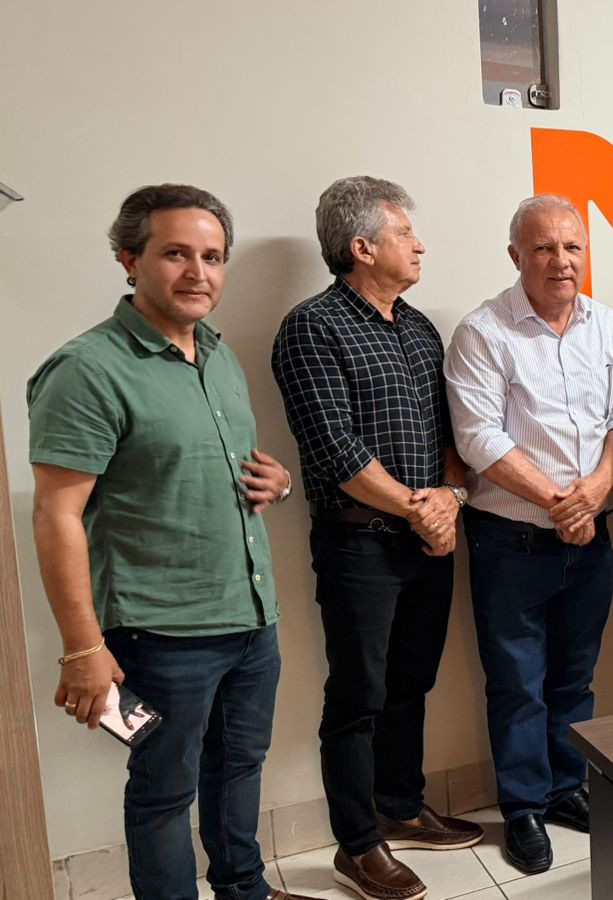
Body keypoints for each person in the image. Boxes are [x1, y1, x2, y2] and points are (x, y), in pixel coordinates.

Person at [27, 185, 309, 900]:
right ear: (130, 259)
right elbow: (57, 516)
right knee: (163, 792)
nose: (198, 273)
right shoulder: (88, 369)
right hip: (161, 635)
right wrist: (83, 649)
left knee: (239, 769)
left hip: (252, 620)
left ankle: (244, 891)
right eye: (176, 253)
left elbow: (203, 472)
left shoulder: (217, 355)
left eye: (212, 257)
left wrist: (276, 482)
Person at [271, 176, 481, 900]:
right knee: (357, 695)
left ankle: (401, 806)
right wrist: (419, 511)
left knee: (411, 683)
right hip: (359, 544)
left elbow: (451, 434)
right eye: (404, 233)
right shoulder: (311, 328)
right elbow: (334, 447)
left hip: (428, 540)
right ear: (361, 247)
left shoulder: (419, 328)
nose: (419, 245)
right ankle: (358, 846)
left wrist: (449, 500)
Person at [444, 195, 613, 874]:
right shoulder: (483, 332)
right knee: (517, 683)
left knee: (576, 678)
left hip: (592, 535)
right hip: (512, 539)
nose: (561, 261)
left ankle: (564, 788)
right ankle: (523, 806)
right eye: (544, 248)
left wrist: (600, 485)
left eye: (572, 246)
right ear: (516, 256)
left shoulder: (605, 323)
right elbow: (477, 437)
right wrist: (561, 503)